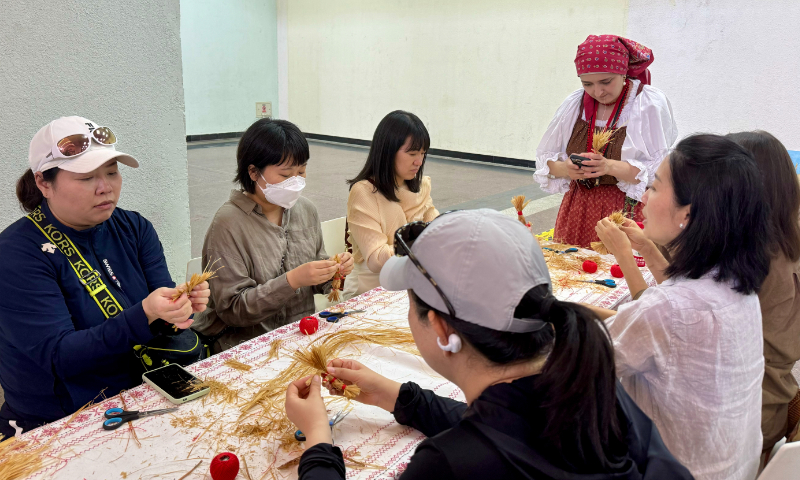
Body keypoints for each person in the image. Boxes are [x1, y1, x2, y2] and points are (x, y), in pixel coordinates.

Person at [284, 210, 693, 480]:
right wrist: (402, 398)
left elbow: (490, 447)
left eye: (412, 305)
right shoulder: (597, 391)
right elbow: (518, 433)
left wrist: (319, 440)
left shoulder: (447, 465)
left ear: (442, 330)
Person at [0, 116, 209, 438]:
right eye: (86, 177)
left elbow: (164, 316)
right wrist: (145, 313)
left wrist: (178, 309)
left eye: (112, 172)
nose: (106, 186)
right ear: (43, 183)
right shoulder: (17, 254)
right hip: (61, 418)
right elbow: (59, 357)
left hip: (142, 388)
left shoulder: (134, 228)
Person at [591, 134, 771, 480]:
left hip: (679, 471)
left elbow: (584, 363)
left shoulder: (671, 309)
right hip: (734, 467)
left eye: (655, 188)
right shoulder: (738, 287)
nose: (643, 197)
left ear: (687, 213)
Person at [192, 119, 353, 354]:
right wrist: (292, 281)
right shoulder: (228, 224)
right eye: (286, 174)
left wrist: (334, 272)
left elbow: (319, 280)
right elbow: (233, 309)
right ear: (253, 172)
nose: (296, 182)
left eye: (301, 172)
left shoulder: (305, 210)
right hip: (246, 348)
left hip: (298, 337)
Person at [533, 35, 678, 247]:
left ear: (623, 72)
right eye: (587, 84)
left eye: (606, 82)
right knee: (576, 273)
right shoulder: (574, 104)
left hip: (624, 210)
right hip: (577, 208)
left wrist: (608, 166)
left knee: (620, 275)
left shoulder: (646, 104)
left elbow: (657, 173)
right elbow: (548, 164)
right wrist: (566, 168)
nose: (598, 92)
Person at [726, 131, 800, 460]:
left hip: (745, 410)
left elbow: (688, 320)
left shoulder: (754, 255)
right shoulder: (788, 237)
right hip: (775, 398)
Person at [342, 111, 438, 299]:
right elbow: (377, 258)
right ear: (388, 152)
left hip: (411, 283)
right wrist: (423, 243)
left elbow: (437, 226)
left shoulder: (421, 186)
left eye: (422, 153)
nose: (419, 161)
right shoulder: (365, 192)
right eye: (412, 154)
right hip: (372, 291)